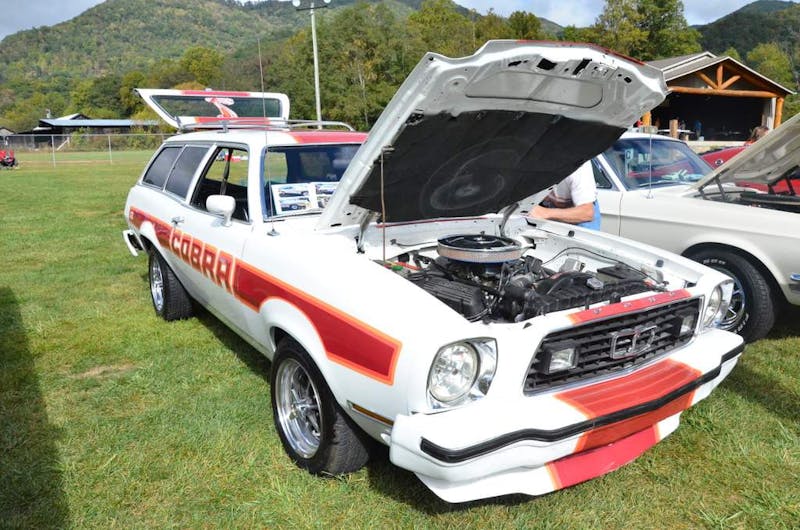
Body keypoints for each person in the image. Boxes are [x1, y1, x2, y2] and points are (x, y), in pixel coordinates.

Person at [529, 160, 601, 230]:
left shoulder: (579, 166)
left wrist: (544, 213)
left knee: (582, 240)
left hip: (581, 210)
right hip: (548, 206)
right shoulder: (530, 161)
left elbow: (586, 213)